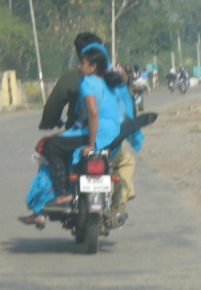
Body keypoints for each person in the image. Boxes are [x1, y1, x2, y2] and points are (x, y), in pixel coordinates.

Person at [37, 33, 137, 213]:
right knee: (126, 161)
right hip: (113, 136)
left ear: (89, 62)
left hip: (89, 134)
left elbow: (85, 111)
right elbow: (127, 109)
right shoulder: (112, 78)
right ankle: (119, 202)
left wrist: (48, 123)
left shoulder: (79, 79)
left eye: (82, 62)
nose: (79, 66)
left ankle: (61, 194)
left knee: (51, 148)